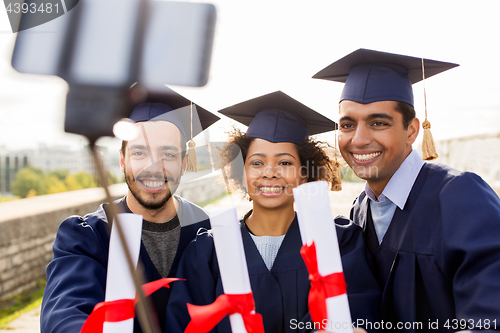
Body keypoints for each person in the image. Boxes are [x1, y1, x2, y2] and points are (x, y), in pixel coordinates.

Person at [313, 48, 500, 331]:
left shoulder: (460, 196)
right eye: (348, 124)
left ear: (412, 130)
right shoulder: (359, 210)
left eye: (378, 123)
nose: (359, 139)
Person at [166, 91, 380, 333]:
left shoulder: (338, 243)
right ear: (242, 172)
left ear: (303, 174)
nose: (269, 172)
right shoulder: (207, 252)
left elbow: (361, 315)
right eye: (257, 163)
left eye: (285, 162)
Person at [40, 89, 220, 333]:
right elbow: (66, 315)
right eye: (139, 152)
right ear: (122, 160)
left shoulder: (207, 230)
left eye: (167, 154)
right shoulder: (87, 236)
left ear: (184, 163)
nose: (153, 167)